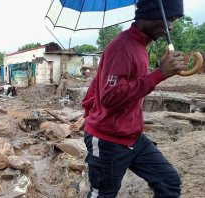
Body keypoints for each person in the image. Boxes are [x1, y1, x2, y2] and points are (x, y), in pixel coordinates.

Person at [70, 0, 185, 197]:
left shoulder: (140, 46)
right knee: (103, 194)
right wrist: (159, 74)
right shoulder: (122, 46)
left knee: (169, 182)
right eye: (170, 19)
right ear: (151, 13)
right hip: (108, 141)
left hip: (133, 138)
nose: (170, 26)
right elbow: (110, 96)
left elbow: (99, 84)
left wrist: (88, 112)